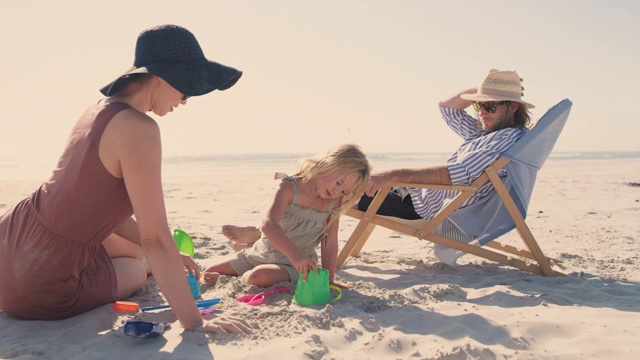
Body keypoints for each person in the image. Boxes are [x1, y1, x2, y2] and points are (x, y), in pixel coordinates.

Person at [0, 24, 252, 334]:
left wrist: (173, 254)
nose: (186, 100)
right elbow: (154, 237)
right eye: (186, 89)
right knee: (137, 267)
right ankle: (147, 269)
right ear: (160, 78)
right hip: (40, 285)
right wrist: (194, 321)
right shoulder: (139, 128)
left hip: (10, 241)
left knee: (138, 251)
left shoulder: (95, 112)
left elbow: (95, 205)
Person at [357, 69, 534, 264]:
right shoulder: (486, 132)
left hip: (419, 207)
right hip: (415, 194)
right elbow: (447, 108)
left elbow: (458, 174)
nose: (482, 112)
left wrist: (393, 175)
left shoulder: (507, 139)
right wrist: (485, 89)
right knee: (347, 178)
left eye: (490, 106)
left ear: (513, 107)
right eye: (478, 104)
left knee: (345, 194)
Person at [202, 144, 371, 288]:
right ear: (326, 164)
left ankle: (242, 278)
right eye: (338, 182)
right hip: (262, 253)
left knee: (257, 277)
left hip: (296, 265)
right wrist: (293, 254)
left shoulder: (334, 202)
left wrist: (328, 280)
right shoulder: (290, 187)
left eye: (343, 191)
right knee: (209, 273)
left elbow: (330, 242)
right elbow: (268, 224)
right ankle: (247, 251)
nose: (337, 191)